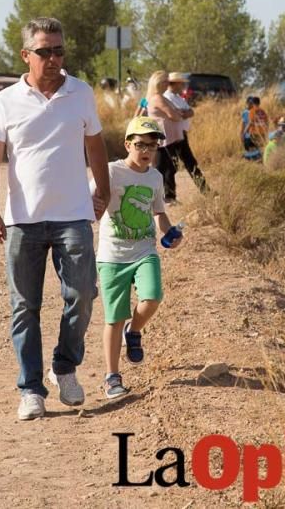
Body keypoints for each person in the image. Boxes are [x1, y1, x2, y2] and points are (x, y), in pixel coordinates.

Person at [0, 17, 111, 421]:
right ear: (26, 55)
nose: (53, 59)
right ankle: (30, 390)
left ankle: (65, 367)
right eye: (44, 51)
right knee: (25, 307)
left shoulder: (81, 93)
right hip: (24, 220)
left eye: (58, 50)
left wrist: (102, 194)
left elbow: (96, 147)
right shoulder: (5, 101)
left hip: (73, 215)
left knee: (83, 296)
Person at [93, 116, 182, 399]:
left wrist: (170, 232)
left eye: (152, 146)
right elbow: (92, 202)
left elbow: (159, 213)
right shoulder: (110, 171)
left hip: (145, 250)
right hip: (112, 256)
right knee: (114, 318)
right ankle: (112, 377)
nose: (146, 151)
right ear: (127, 144)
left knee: (152, 298)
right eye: (141, 144)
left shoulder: (155, 177)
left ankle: (135, 330)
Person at [164, 72, 208, 195]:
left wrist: (183, 113)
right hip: (172, 135)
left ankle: (205, 190)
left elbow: (190, 112)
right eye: (181, 83)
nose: (183, 85)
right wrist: (183, 113)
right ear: (176, 83)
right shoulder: (167, 97)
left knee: (190, 163)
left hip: (181, 134)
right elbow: (177, 114)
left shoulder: (179, 98)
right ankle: (169, 195)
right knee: (171, 165)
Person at [146, 70, 185, 204]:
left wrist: (177, 113)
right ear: (159, 83)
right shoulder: (158, 98)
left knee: (165, 167)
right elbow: (173, 114)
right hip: (163, 139)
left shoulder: (159, 97)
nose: (168, 84)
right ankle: (166, 197)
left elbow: (175, 113)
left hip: (165, 138)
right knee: (166, 168)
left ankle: (165, 197)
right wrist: (178, 114)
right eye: (166, 82)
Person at [241, 96, 269, 160]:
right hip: (262, 133)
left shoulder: (252, 111)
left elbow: (250, 123)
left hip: (254, 133)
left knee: (248, 142)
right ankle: (258, 157)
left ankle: (249, 157)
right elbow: (267, 123)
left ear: (253, 103)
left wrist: (244, 133)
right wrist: (266, 132)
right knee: (259, 147)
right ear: (259, 103)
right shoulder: (263, 111)